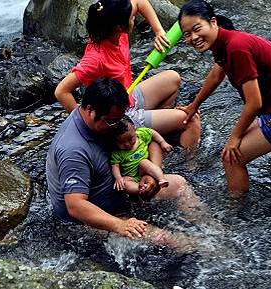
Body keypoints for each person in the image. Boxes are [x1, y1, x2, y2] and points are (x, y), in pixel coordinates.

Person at [177, 0, 271, 195]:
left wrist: (234, 138)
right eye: (187, 34)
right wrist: (194, 105)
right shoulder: (224, 42)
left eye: (197, 29)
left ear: (213, 22)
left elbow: (254, 103)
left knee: (231, 158)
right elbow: (216, 74)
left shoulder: (236, 48)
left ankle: (236, 217)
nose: (193, 37)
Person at [46, 78, 189, 239]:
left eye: (120, 118)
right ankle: (203, 250)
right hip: (88, 222)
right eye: (112, 121)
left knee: (179, 184)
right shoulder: (73, 150)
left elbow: (149, 140)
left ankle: (216, 231)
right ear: (90, 111)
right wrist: (120, 225)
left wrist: (151, 175)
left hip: (125, 191)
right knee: (164, 237)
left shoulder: (112, 120)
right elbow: (75, 206)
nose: (117, 125)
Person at [55, 0, 201, 150]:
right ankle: (190, 166)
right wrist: (90, 126)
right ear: (119, 26)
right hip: (121, 117)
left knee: (173, 78)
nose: (133, 18)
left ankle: (149, 138)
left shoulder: (113, 28)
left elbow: (139, 1)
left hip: (129, 96)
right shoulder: (95, 59)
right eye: (131, 18)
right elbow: (61, 91)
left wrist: (158, 30)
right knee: (190, 120)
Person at [110, 119, 173, 193]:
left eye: (130, 139)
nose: (127, 144)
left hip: (144, 169)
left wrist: (162, 142)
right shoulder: (117, 153)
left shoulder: (141, 134)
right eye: (121, 142)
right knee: (123, 184)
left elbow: (152, 132)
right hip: (132, 177)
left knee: (143, 162)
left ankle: (161, 179)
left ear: (134, 129)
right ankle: (141, 189)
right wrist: (118, 178)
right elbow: (115, 166)